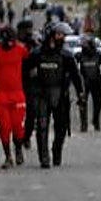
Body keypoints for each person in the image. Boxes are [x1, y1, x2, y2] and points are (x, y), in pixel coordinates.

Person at [24, 22, 83, 168]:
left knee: (61, 127)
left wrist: (81, 94)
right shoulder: (36, 54)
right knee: (42, 126)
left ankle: (57, 153)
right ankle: (44, 158)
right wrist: (28, 90)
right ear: (50, 36)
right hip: (41, 94)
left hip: (61, 95)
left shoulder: (66, 56)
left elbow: (76, 76)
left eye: (63, 35)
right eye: (58, 35)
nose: (61, 38)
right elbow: (24, 72)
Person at [0, 24, 29, 168]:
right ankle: (8, 156)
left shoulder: (21, 50)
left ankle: (18, 149)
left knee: (18, 127)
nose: (9, 43)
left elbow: (31, 60)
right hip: (1, 95)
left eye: (12, 40)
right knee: (5, 127)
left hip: (17, 94)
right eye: (6, 41)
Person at [76, 34, 101, 132]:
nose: (84, 47)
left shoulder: (99, 55)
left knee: (98, 103)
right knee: (82, 102)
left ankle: (96, 121)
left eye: (86, 44)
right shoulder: (79, 55)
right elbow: (73, 69)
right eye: (83, 45)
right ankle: (84, 123)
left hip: (97, 82)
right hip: (84, 82)